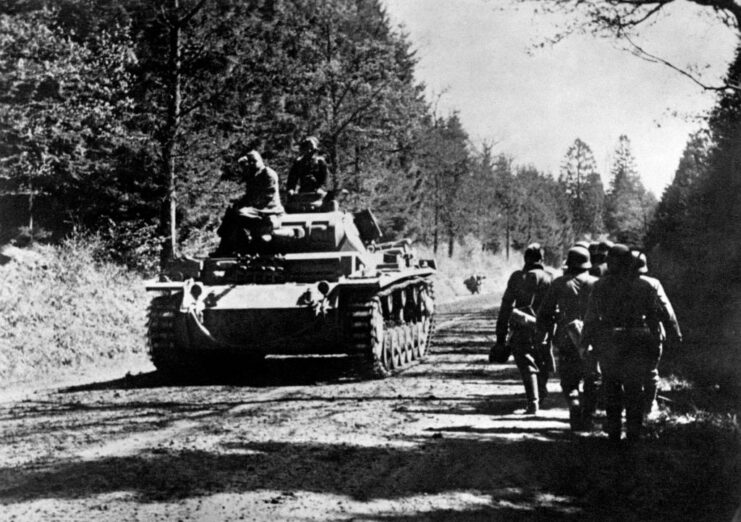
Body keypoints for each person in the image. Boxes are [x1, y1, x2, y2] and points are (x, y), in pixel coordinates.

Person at [581, 244, 682, 443]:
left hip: (609, 340)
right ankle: (634, 432)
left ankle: (614, 432)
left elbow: (591, 316)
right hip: (639, 340)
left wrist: (585, 341)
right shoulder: (650, 284)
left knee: (611, 386)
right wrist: (675, 336)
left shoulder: (601, 285)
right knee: (635, 387)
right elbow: (666, 312)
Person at [536, 244, 598, 431]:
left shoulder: (559, 283)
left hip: (565, 337)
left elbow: (544, 313)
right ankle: (588, 417)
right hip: (591, 338)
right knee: (592, 378)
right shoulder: (597, 283)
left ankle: (574, 406)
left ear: (569, 264)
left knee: (569, 379)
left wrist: (543, 334)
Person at [494, 243, 553, 414]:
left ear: (525, 259)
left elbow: (506, 306)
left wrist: (500, 336)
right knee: (542, 359)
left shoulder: (517, 277)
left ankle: (533, 401)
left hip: (521, 326)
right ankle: (540, 394)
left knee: (526, 362)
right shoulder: (549, 277)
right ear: (541, 259)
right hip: (542, 326)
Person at [214, 151, 284, 255]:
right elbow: (248, 195)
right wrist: (239, 204)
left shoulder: (268, 174)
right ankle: (227, 247)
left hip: (269, 208)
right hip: (256, 208)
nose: (252, 164)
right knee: (232, 211)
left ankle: (233, 247)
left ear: (260, 160)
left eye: (254, 161)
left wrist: (247, 206)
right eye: (250, 162)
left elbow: (267, 196)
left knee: (239, 214)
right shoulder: (253, 175)